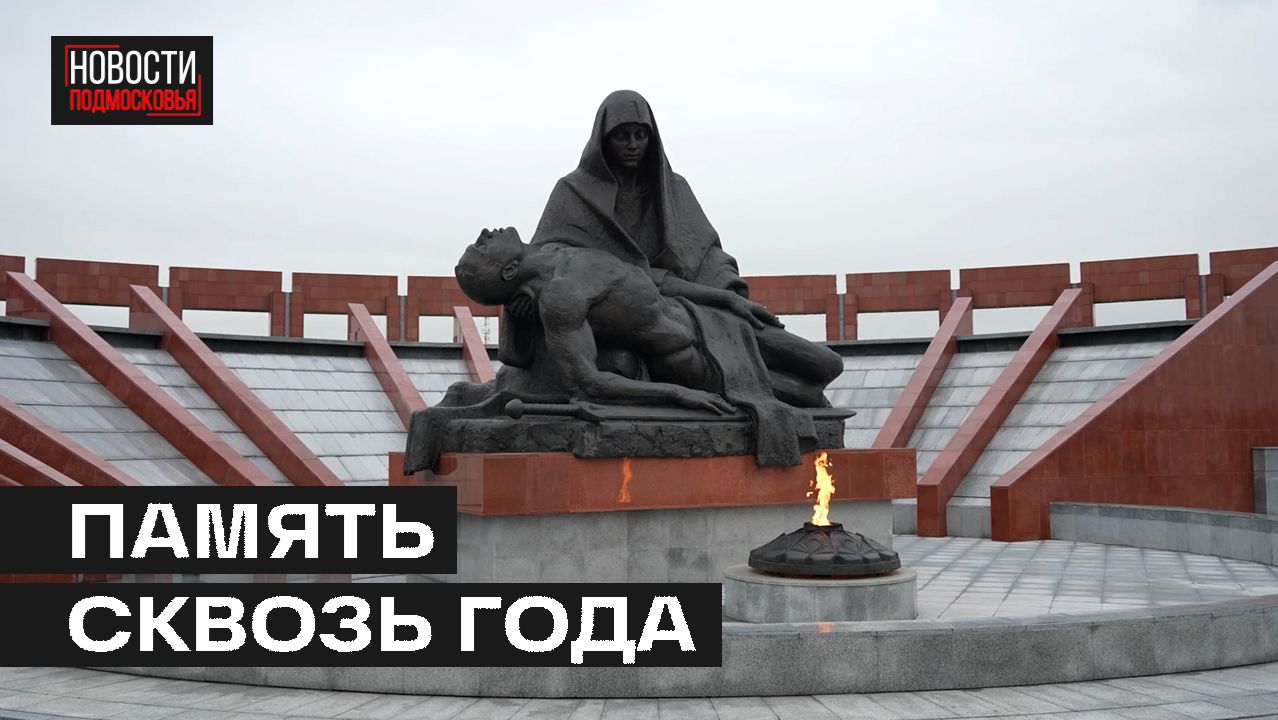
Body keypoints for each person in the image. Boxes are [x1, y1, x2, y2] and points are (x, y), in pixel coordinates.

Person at [500, 90, 842, 407]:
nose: (633, 145)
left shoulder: (674, 190)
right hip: (630, 322)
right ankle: (798, 398)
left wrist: (728, 295)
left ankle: (799, 394)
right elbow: (543, 261)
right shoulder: (573, 192)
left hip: (700, 305)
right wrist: (525, 301)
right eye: (622, 136)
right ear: (603, 140)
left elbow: (710, 255)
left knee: (825, 364)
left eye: (641, 135)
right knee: (623, 364)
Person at [455, 226, 818, 466]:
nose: (485, 233)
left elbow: (656, 282)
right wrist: (679, 394)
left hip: (709, 318)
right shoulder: (560, 298)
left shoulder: (557, 248)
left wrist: (727, 300)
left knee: (826, 366)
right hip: (695, 362)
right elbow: (589, 383)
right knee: (812, 389)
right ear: (507, 271)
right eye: (481, 247)